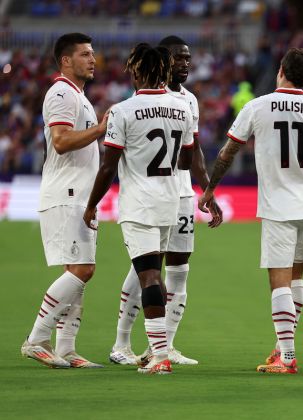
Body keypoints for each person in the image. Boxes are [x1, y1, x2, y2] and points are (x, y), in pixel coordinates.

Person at [198, 48, 303, 374]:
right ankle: (281, 348)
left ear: (281, 71)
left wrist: (210, 188)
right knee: (297, 275)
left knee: (279, 280)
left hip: (278, 204)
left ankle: (287, 357)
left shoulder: (257, 106)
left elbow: (228, 151)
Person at [83, 43, 195, 375]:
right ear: (164, 71)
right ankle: (157, 350)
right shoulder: (183, 108)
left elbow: (108, 167)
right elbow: (186, 159)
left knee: (148, 276)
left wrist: (91, 205)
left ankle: (158, 355)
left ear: (135, 71)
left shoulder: (122, 111)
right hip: (170, 202)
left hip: (139, 205)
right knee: (153, 273)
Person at [109, 35, 212, 367]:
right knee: (146, 269)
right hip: (155, 194)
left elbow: (194, 155)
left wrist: (206, 191)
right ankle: (122, 343)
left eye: (188, 58)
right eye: (178, 58)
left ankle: (163, 346)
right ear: (163, 62)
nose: (184, 64)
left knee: (179, 271)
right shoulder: (146, 100)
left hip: (180, 196)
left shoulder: (189, 101)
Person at [21, 33, 109, 369]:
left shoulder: (78, 96)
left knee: (78, 271)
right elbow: (60, 141)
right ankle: (36, 339)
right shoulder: (60, 92)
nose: (93, 59)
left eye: (93, 53)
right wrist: (101, 129)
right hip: (66, 194)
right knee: (82, 270)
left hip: (80, 196)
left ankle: (67, 348)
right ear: (66, 61)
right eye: (85, 54)